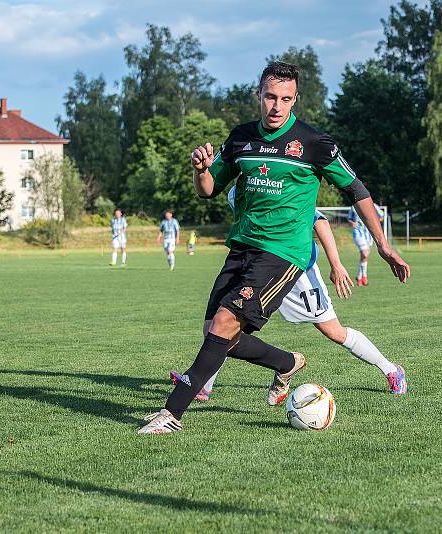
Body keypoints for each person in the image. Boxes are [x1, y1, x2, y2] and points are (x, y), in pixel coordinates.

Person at [139, 61, 409, 434]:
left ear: (295, 98)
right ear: (259, 95)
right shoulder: (240, 138)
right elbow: (208, 190)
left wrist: (382, 244)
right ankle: (286, 362)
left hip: (284, 253)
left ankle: (171, 415)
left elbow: (356, 190)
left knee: (226, 323)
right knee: (215, 334)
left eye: (285, 98)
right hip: (242, 248)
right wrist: (201, 169)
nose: (276, 106)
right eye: (270, 97)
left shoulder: (315, 143)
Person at [170, 187, 406, 401]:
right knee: (225, 323)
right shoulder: (234, 193)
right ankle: (204, 385)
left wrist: (336, 264)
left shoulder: (279, 181)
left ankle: (391, 370)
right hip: (259, 269)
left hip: (297, 270)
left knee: (334, 331)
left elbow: (319, 222)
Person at [348, 203, 384, 286]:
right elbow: (349, 218)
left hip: (369, 234)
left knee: (364, 256)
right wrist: (352, 223)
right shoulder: (353, 206)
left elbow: (382, 216)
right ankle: (364, 276)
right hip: (358, 233)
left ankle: (360, 276)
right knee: (365, 253)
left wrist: (374, 222)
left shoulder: (374, 206)